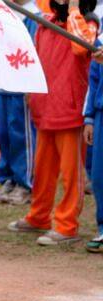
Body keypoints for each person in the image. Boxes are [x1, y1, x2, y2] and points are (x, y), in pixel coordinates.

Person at [8, 0, 98, 245]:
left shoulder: (86, 22)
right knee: (42, 171)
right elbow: (35, 60)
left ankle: (67, 225)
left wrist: (73, 11)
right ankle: (38, 217)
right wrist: (30, 90)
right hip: (45, 107)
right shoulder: (45, 23)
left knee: (71, 175)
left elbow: (83, 48)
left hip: (70, 111)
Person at [0, 0, 40, 206]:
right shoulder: (5, 15)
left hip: (21, 86)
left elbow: (36, 54)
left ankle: (25, 183)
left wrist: (31, 85)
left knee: (22, 136)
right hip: (4, 84)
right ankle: (8, 178)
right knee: (5, 135)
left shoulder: (34, 18)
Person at [83, 18, 103, 252]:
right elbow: (93, 80)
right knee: (98, 176)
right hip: (100, 114)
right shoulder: (100, 40)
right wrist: (89, 117)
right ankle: (101, 227)